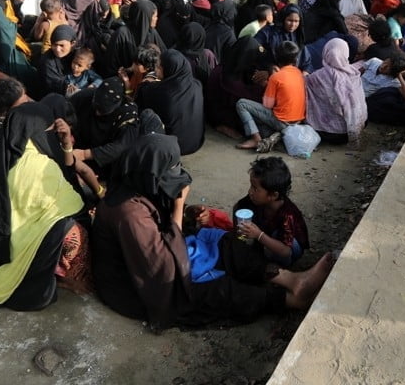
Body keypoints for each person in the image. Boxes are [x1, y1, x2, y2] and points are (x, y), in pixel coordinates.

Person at [91, 134, 334, 331]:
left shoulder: (139, 185)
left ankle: (291, 279)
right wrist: (177, 208)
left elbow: (160, 220)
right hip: (139, 287)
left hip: (159, 254)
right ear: (149, 170)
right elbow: (161, 268)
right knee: (218, 288)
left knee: (228, 245)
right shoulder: (129, 215)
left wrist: (187, 214)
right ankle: (290, 300)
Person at [0, 101, 91, 313]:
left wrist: (65, 146)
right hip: (25, 242)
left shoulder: (3, 153)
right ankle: (71, 278)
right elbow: (74, 204)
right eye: (49, 132)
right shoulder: (38, 165)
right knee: (77, 228)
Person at [232, 157, 310, 266]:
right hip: (266, 238)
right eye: (251, 186)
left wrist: (259, 235)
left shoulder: (287, 214)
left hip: (288, 248)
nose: (250, 191)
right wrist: (238, 233)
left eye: (255, 188)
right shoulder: (255, 199)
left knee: (276, 237)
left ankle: (277, 267)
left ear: (273, 195)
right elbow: (238, 207)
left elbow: (286, 251)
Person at [235, 41, 307, 152]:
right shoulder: (299, 73)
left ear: (276, 59)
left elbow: (268, 105)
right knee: (262, 125)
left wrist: (266, 85)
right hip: (299, 122)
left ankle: (256, 139)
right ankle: (277, 137)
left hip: (283, 122)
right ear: (295, 59)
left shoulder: (276, 77)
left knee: (242, 104)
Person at [137, 49, 205, 155]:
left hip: (172, 148)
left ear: (170, 69)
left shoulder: (163, 93)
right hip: (195, 143)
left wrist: (146, 83)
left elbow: (143, 90)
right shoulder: (197, 85)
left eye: (159, 67)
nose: (156, 69)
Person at [305, 37, 368, 146]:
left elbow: (302, 84)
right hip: (360, 125)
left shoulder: (319, 76)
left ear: (326, 52)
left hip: (334, 134)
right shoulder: (354, 72)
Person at [362, 54, 405, 124]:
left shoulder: (393, 81)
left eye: (387, 68)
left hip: (361, 99)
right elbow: (357, 73)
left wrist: (399, 76)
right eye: (385, 62)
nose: (383, 66)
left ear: (394, 72)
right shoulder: (374, 61)